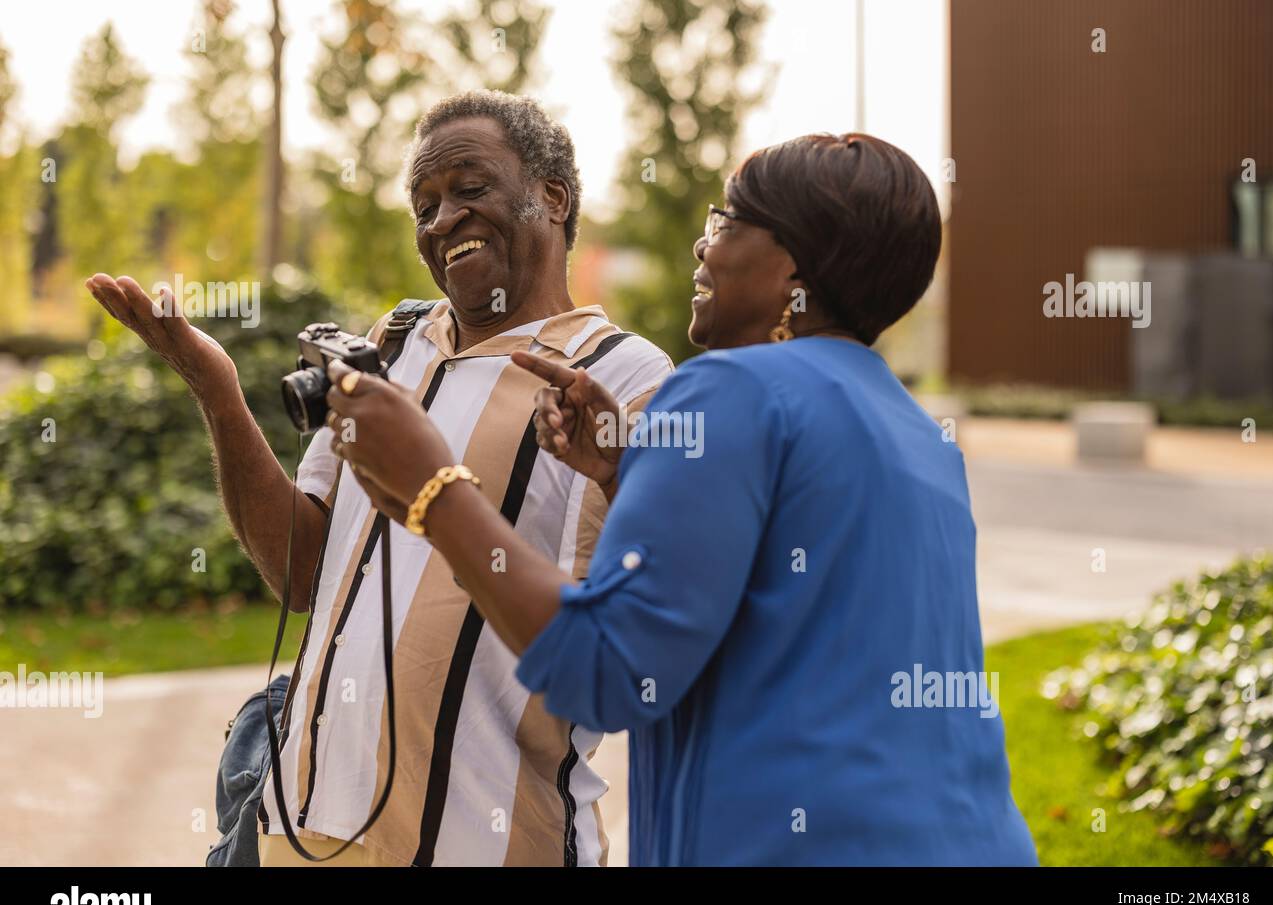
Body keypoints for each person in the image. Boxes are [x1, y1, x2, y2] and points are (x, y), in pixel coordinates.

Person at [320, 131, 1039, 866]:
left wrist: (434, 489)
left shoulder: (731, 387)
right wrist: (626, 475)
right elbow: (775, 609)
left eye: (726, 223)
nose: (703, 247)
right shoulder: (921, 436)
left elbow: (608, 671)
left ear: (792, 264)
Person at [84, 90, 672, 867]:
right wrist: (216, 390)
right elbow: (301, 568)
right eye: (423, 205)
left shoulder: (627, 377)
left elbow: (643, 635)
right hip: (296, 833)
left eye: (469, 189)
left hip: (482, 844)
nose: (441, 221)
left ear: (552, 197)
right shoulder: (388, 347)